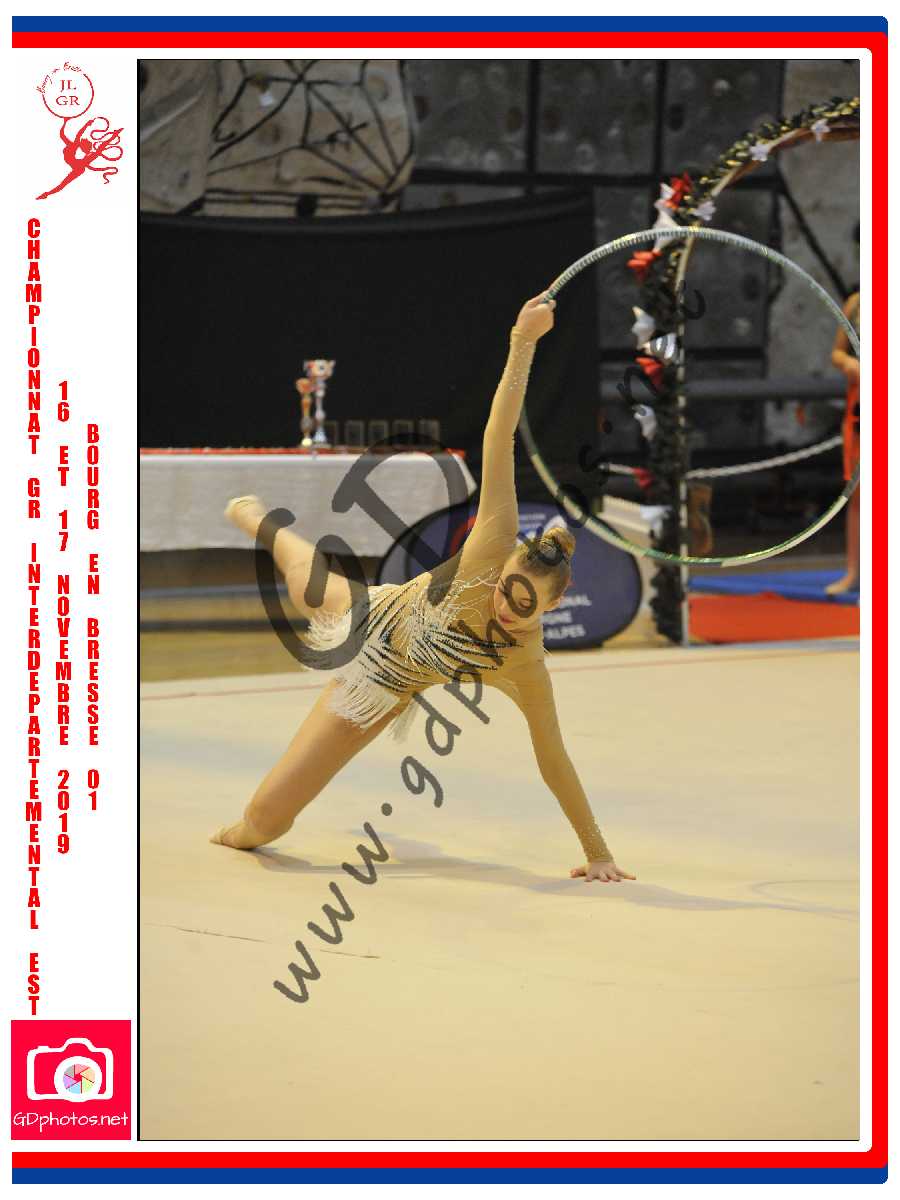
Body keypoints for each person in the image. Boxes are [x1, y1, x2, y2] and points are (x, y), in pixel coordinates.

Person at [211, 293, 634, 884]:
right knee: (310, 586)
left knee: (264, 822)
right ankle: (264, 524)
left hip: (385, 681)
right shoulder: (494, 541)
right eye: (506, 588)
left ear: (554, 606)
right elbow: (499, 435)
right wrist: (523, 342)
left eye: (524, 606)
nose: (505, 607)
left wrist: (598, 852)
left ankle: (241, 828)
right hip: (379, 616)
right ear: (506, 563)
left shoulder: (526, 666)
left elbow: (553, 760)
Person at [826, 289, 860, 595]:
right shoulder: (857, 302)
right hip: (861, 408)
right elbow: (836, 353)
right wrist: (849, 363)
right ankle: (854, 572)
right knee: (858, 493)